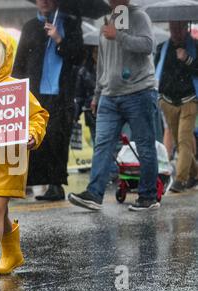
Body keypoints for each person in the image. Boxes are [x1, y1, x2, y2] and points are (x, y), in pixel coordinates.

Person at [0, 28, 49, 286]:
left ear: (5, 58)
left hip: (10, 159)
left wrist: (34, 135)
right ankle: (12, 254)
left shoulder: (15, 89)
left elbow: (39, 116)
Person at [68, 0, 160, 212]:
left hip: (139, 92)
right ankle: (94, 194)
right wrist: (97, 95)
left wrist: (118, 36)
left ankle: (148, 196)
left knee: (145, 146)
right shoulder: (107, 20)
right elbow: (103, 63)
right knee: (102, 144)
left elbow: (148, 46)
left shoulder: (138, 17)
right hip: (109, 95)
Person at [13, 0, 83, 202]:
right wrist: (17, 90)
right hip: (35, 94)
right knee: (36, 138)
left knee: (57, 138)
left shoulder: (69, 24)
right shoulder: (30, 27)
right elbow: (20, 63)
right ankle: (33, 181)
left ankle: (56, 184)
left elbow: (79, 57)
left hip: (61, 94)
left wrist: (60, 39)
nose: (43, 2)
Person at [155, 21, 198, 192]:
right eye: (173, 28)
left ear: (185, 27)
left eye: (179, 28)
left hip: (189, 100)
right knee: (180, 143)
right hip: (168, 101)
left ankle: (180, 179)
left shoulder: (194, 46)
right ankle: (195, 174)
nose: (176, 31)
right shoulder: (162, 48)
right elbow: (157, 71)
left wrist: (187, 59)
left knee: (183, 138)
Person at [75, 46, 98, 144]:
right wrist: (75, 115)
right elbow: (80, 95)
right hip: (91, 112)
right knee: (97, 144)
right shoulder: (84, 71)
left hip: (110, 111)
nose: (98, 55)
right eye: (95, 52)